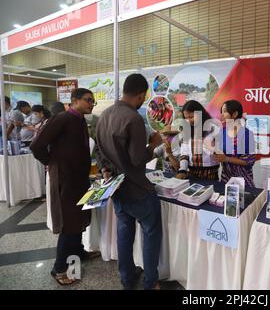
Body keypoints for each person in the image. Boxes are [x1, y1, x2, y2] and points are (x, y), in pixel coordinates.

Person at [95, 73, 163, 290]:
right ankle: (150, 283)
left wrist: (106, 170)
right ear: (141, 95)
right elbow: (137, 160)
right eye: (144, 97)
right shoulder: (134, 119)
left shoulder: (104, 116)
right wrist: (153, 145)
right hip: (137, 189)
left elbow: (99, 151)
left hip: (116, 188)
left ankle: (126, 277)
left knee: (124, 231)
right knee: (151, 233)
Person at [30, 88, 99, 286]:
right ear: (74, 100)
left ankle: (78, 252)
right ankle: (59, 268)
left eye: (92, 101)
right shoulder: (62, 119)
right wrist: (53, 163)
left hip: (79, 180)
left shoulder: (79, 120)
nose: (91, 104)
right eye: (88, 100)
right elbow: (37, 146)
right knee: (69, 225)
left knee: (79, 220)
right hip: (66, 182)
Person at [214, 100, 256, 187]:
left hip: (243, 180)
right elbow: (218, 153)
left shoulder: (247, 134)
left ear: (235, 114)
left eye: (224, 111)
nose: (221, 115)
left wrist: (226, 159)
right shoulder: (221, 132)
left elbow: (249, 161)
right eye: (221, 112)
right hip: (225, 179)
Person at [176, 100, 220, 180]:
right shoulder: (186, 130)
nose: (189, 121)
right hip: (191, 174)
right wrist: (182, 170)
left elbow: (219, 151)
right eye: (186, 118)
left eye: (191, 117)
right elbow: (184, 154)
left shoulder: (213, 128)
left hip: (210, 174)